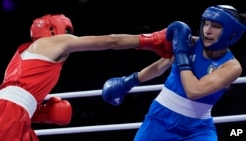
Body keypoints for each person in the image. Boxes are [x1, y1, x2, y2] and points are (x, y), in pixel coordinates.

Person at [0, 14, 173, 141]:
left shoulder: (24, 55)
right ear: (52, 30)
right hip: (11, 115)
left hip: (16, 115)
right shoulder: (55, 42)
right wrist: (151, 40)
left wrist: (41, 113)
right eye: (66, 31)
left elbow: (14, 97)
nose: (68, 35)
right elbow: (112, 41)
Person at [102, 5, 246, 140]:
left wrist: (182, 56)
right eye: (206, 23)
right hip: (159, 119)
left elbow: (194, 91)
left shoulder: (231, 67)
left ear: (231, 32)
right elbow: (161, 66)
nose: (207, 30)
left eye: (215, 26)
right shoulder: (191, 43)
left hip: (198, 129)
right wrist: (129, 82)